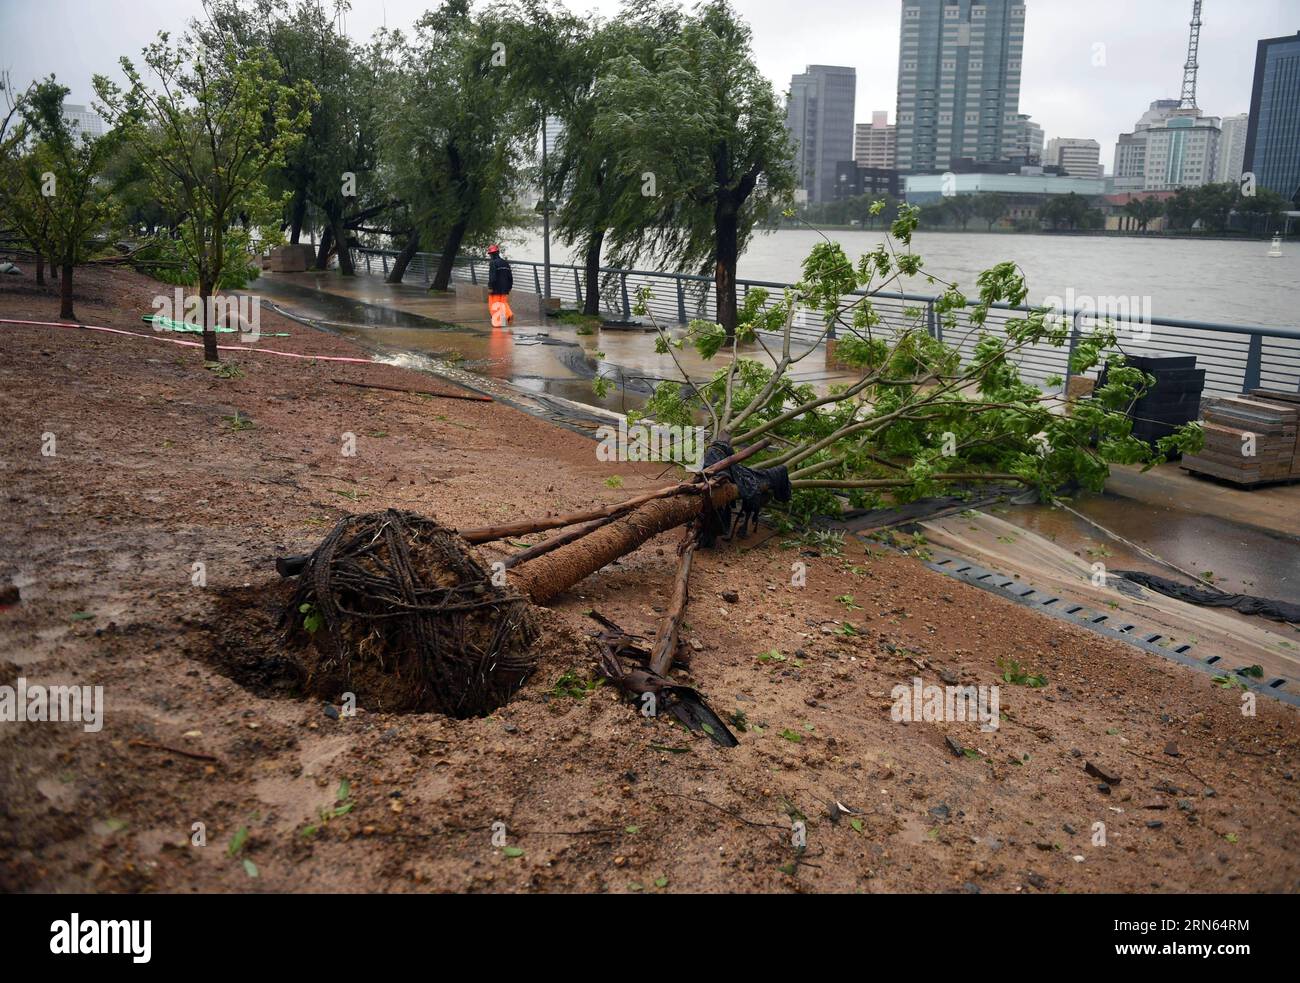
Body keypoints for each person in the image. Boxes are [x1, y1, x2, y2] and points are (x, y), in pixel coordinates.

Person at [486, 244, 514, 328]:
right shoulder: (505, 263)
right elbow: (510, 277)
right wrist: (509, 287)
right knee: (503, 303)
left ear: (491, 254)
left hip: (496, 288)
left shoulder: (493, 263)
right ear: (498, 252)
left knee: (494, 305)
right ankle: (507, 315)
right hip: (505, 288)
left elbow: (493, 276)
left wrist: (490, 287)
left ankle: (505, 317)